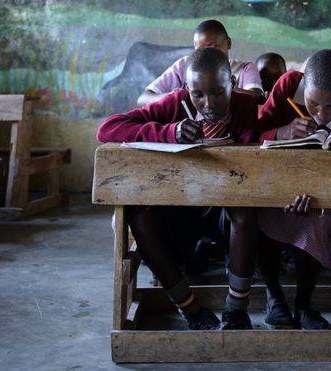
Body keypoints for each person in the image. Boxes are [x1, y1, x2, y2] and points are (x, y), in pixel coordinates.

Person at [97, 48, 259, 330]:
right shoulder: (175, 104)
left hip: (224, 209)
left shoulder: (245, 107)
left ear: (232, 83)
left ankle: (236, 309)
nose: (208, 104)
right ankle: (191, 309)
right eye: (198, 94)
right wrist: (168, 132)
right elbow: (108, 129)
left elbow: (258, 147)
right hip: (180, 209)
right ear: (187, 88)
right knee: (137, 216)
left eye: (218, 92)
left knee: (245, 210)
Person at [256, 49, 331, 329]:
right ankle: (275, 299)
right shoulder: (288, 86)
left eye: (330, 107)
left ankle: (304, 305)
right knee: (255, 213)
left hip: (323, 197)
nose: (320, 114)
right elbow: (253, 133)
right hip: (275, 186)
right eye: (312, 103)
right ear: (304, 84)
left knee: (315, 219)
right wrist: (281, 132)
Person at [136, 19, 263, 107]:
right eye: (200, 50)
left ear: (228, 43)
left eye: (214, 47)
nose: (207, 55)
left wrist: (219, 90)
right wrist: (179, 96)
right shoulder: (183, 66)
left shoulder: (244, 69)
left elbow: (255, 98)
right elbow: (143, 99)